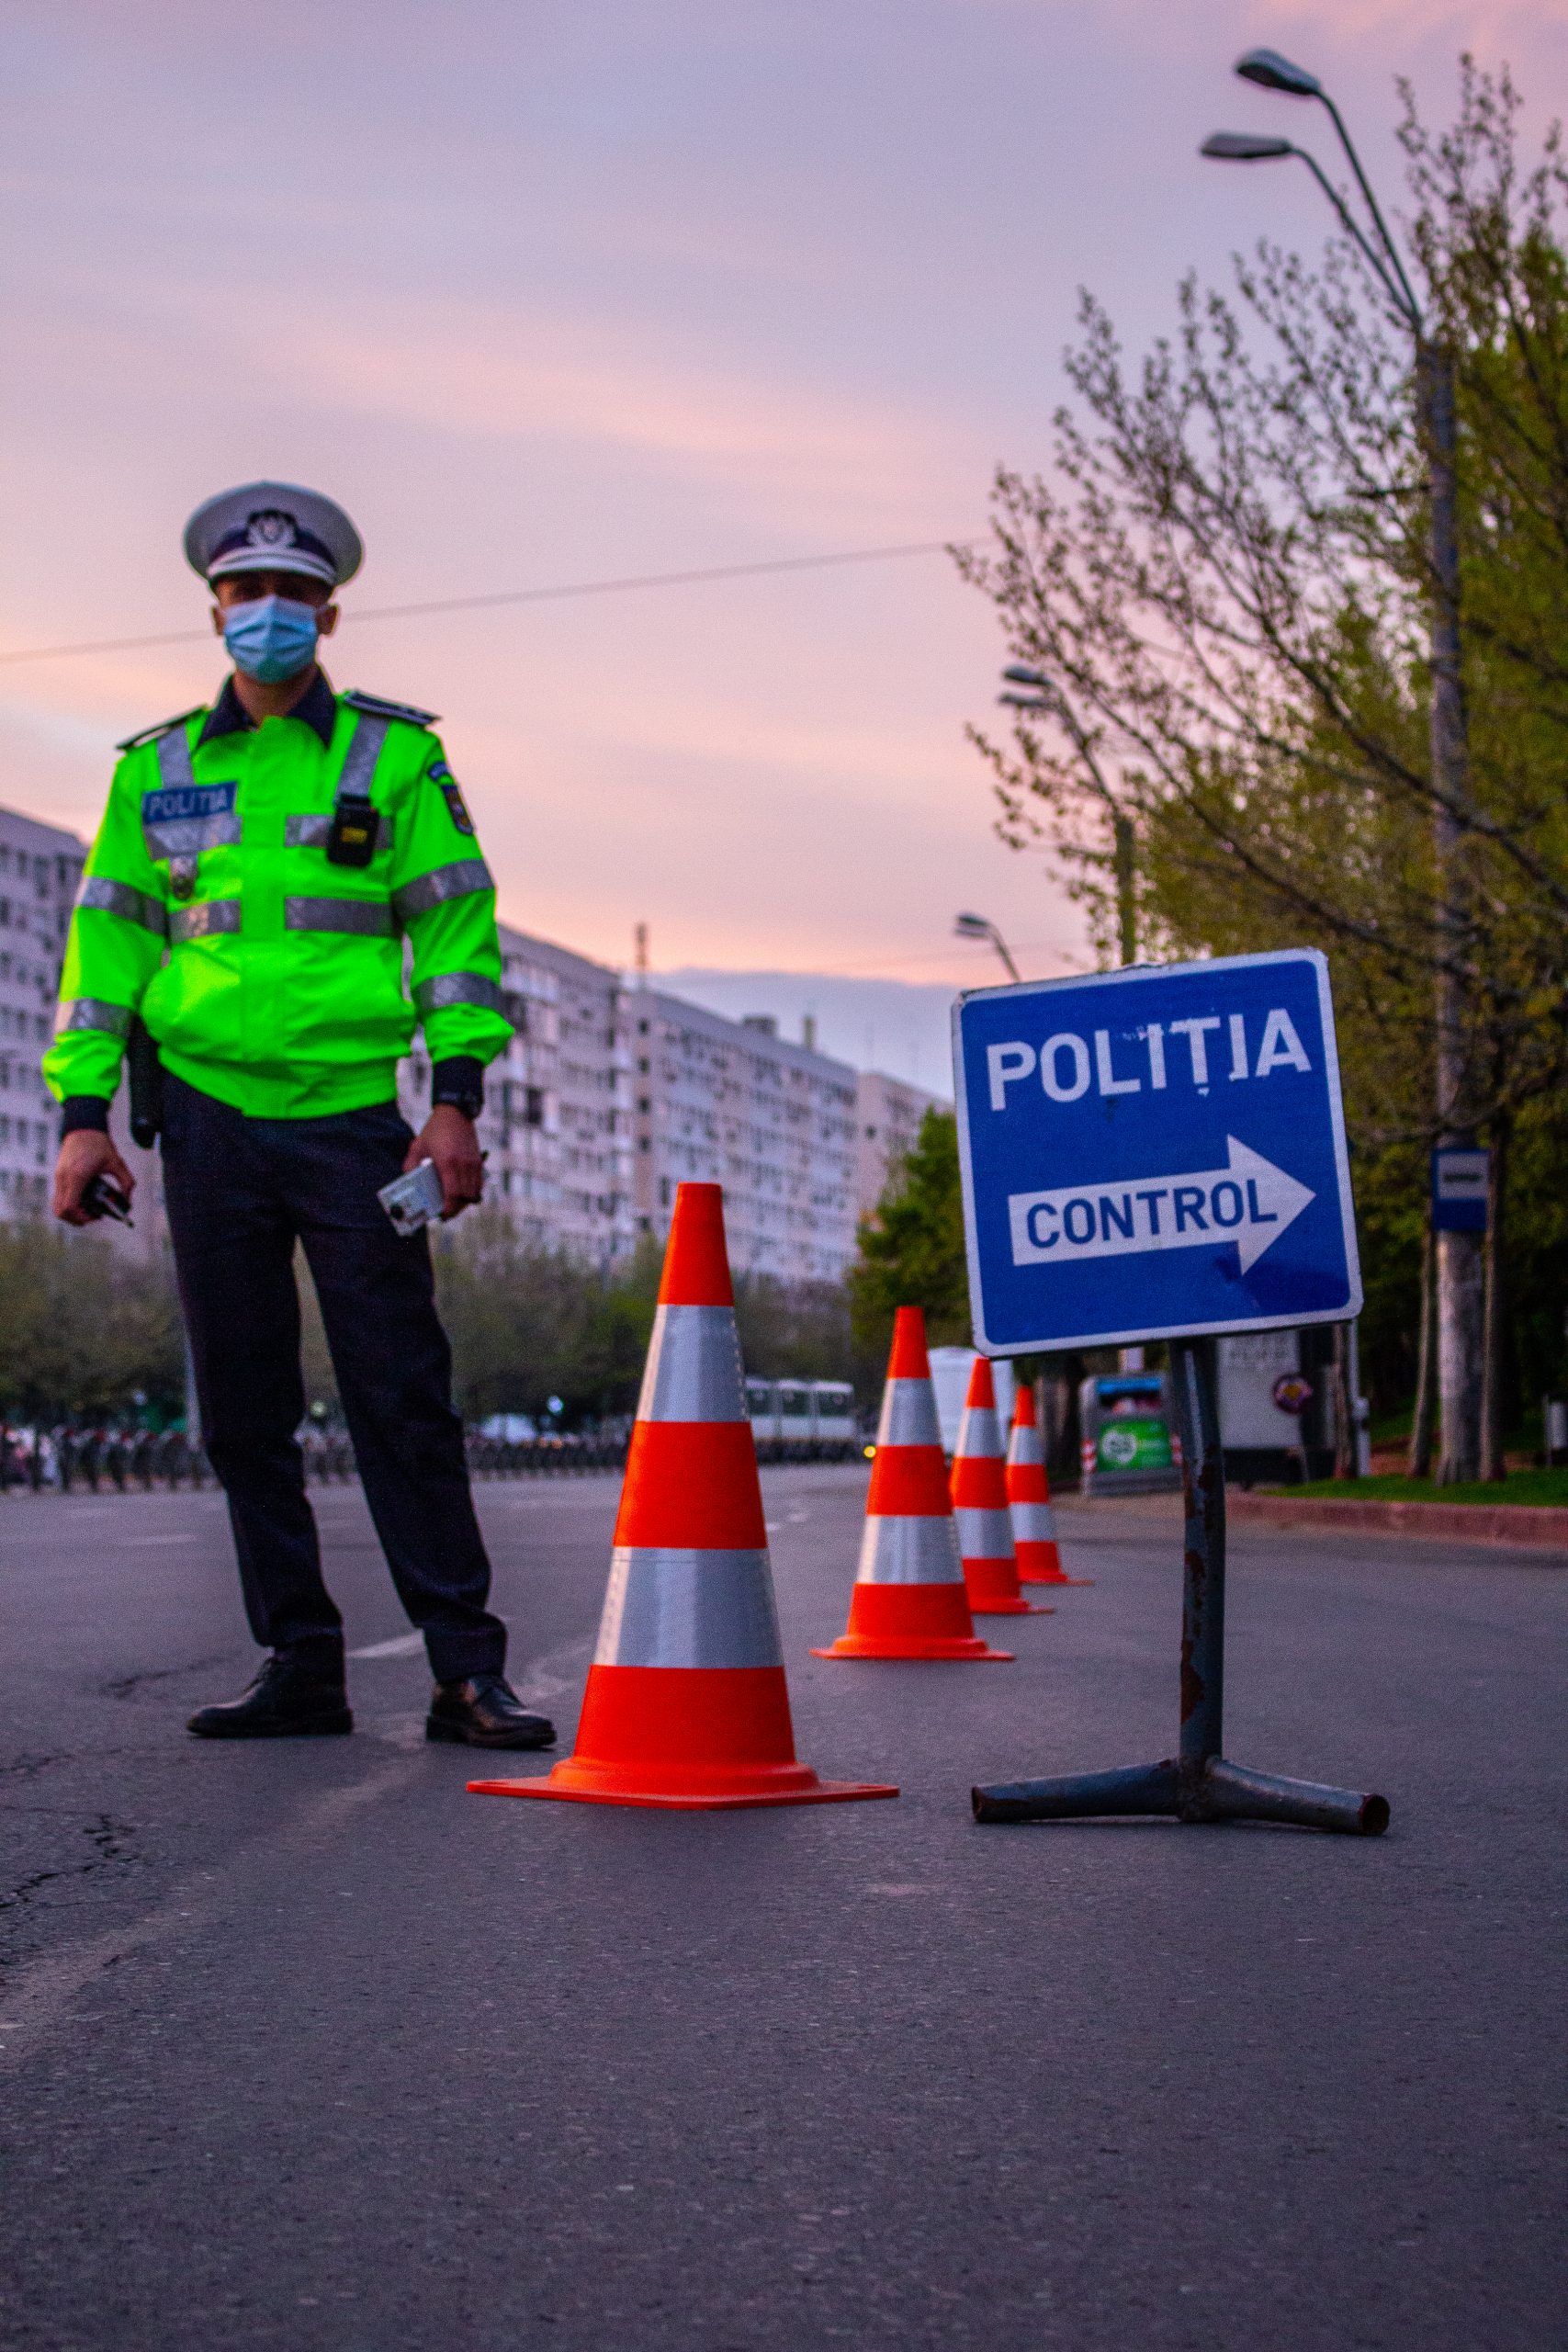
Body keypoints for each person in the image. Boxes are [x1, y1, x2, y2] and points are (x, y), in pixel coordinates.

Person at [46, 481, 554, 1750]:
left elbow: (454, 931)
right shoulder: (153, 770)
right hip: (208, 1124)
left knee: (402, 1397)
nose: (265, 611)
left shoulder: (395, 756)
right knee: (241, 1409)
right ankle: (302, 1662)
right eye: (243, 591)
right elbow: (104, 949)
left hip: (349, 1127)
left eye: (290, 592)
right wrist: (79, 1115)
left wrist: (455, 1104)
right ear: (212, 606)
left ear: (330, 611)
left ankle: (464, 1673)